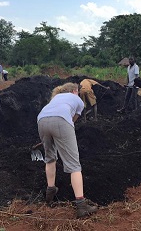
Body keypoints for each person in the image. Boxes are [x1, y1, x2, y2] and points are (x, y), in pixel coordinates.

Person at [37, 82, 98, 218]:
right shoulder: (77, 99)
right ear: (74, 91)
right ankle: (81, 205)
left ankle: (50, 191)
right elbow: (72, 119)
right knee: (74, 165)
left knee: (50, 158)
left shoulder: (55, 99)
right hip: (61, 122)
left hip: (41, 120)